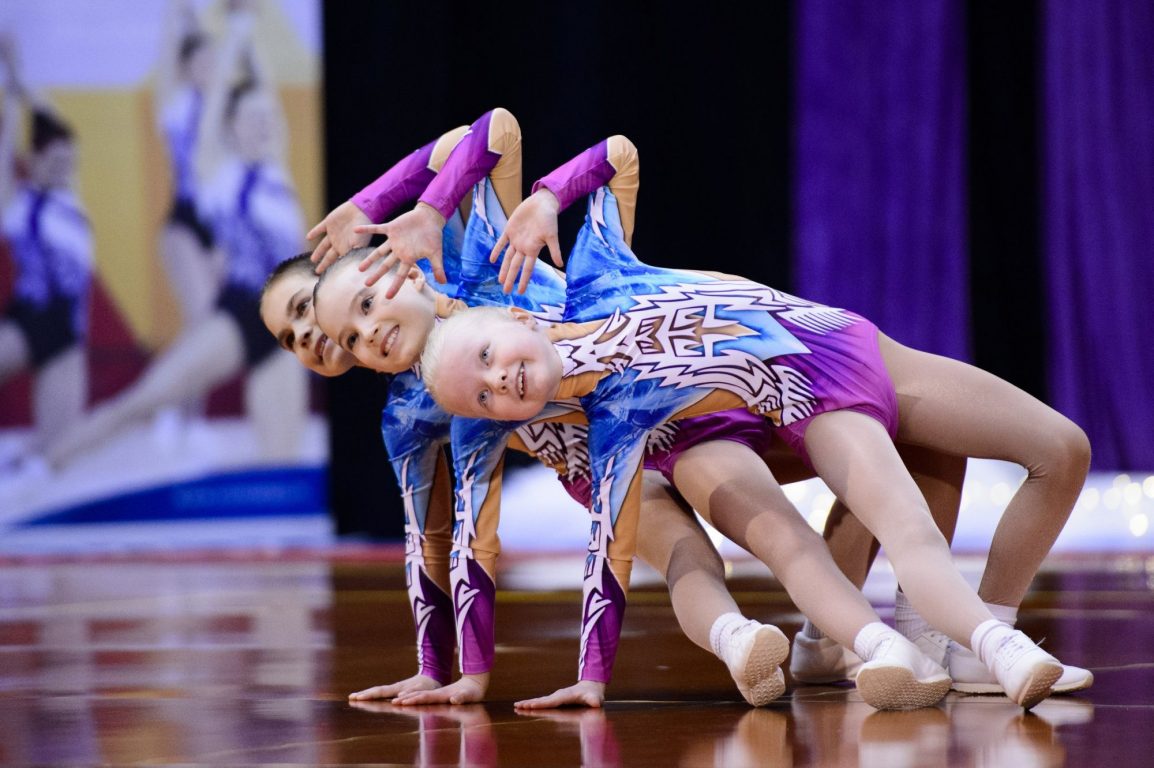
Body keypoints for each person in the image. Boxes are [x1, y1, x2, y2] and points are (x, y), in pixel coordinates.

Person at [315, 122, 976, 711]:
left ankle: (858, 640)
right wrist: (455, 672)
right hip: (615, 445)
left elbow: (485, 135)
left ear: (382, 264)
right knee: (692, 552)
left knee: (833, 488)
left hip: (694, 381)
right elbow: (456, 540)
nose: (348, 339)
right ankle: (746, 639)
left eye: (359, 308)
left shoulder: (480, 256)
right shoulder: (418, 406)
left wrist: (384, 205)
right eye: (334, 340)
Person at [45, 4, 308, 469]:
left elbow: (265, 96)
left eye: (267, 118)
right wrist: (227, 44)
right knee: (140, 403)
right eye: (252, 119)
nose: (264, 124)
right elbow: (208, 122)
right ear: (231, 128)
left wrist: (245, 30)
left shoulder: (276, 171)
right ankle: (46, 464)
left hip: (287, 324)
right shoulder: (218, 175)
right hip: (242, 312)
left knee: (281, 463)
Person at [0, 35, 91, 462]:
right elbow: (7, 140)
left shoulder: (70, 196)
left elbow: (51, 119)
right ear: (31, 162)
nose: (64, 170)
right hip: (28, 319)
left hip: (67, 333)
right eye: (53, 164)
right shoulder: (16, 204)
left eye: (68, 162)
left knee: (56, 456)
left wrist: (19, 74)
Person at [154, 0, 220, 332]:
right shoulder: (178, 107)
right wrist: (176, 14)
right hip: (187, 213)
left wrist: (194, 21)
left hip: (223, 224)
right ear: (188, 67)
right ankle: (186, 383)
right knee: (201, 316)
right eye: (201, 61)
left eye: (214, 61)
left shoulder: (228, 111)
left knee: (218, 321)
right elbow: (168, 63)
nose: (209, 67)